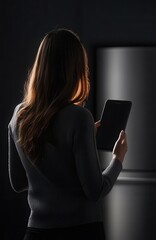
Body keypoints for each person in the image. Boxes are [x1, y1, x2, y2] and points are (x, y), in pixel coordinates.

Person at [8, 28, 127, 240]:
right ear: (75, 70)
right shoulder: (79, 117)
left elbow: (18, 182)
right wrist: (118, 159)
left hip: (36, 232)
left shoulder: (18, 115)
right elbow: (95, 191)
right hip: (80, 232)